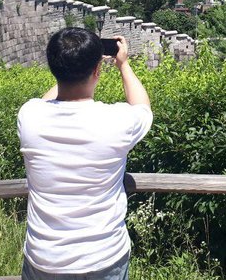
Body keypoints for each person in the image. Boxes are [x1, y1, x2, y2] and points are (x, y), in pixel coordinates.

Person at [18, 27, 152, 280]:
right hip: (103, 256)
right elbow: (143, 108)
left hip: (44, 257)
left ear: (54, 68)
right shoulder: (118, 121)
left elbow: (49, 99)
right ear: (97, 71)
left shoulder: (29, 115)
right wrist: (124, 65)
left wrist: (68, 69)